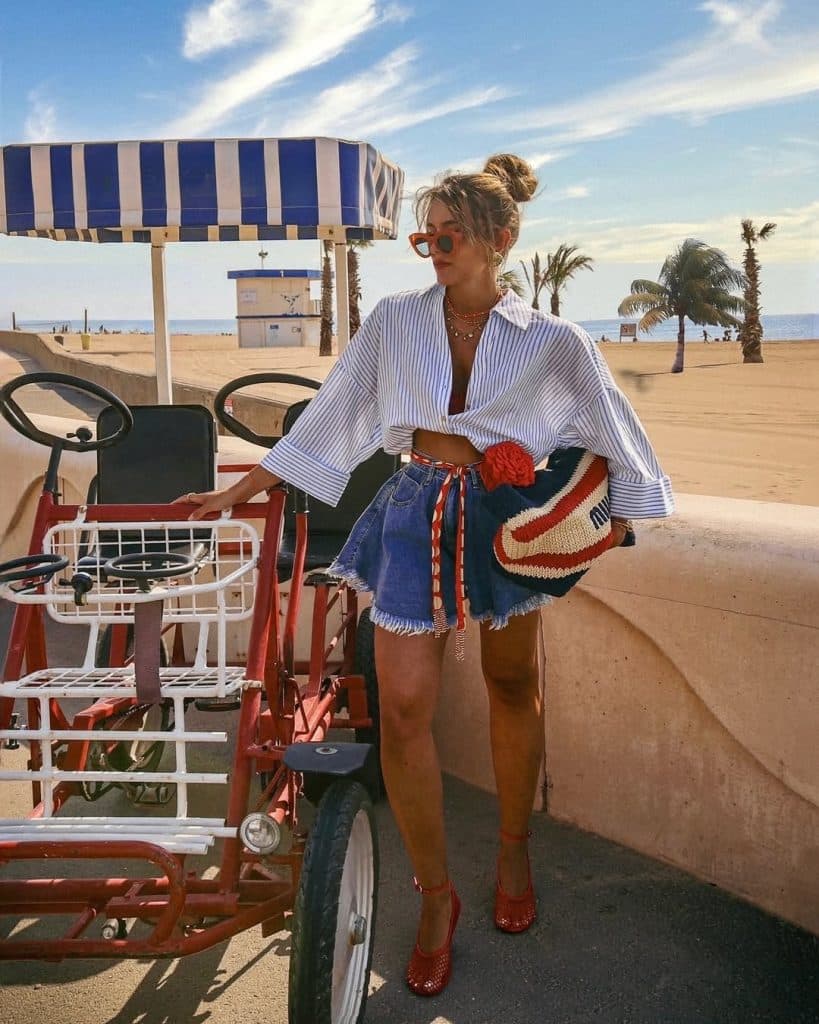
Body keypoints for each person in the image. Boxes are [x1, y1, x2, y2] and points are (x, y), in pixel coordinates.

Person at [179, 154, 674, 997]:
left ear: (500, 239)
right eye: (424, 236)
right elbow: (337, 408)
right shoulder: (394, 320)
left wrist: (603, 524)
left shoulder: (555, 341)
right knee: (403, 707)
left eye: (448, 235)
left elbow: (611, 433)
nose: (433, 248)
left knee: (511, 684)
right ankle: (434, 897)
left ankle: (513, 852)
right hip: (412, 513)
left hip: (507, 519)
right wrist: (247, 485)